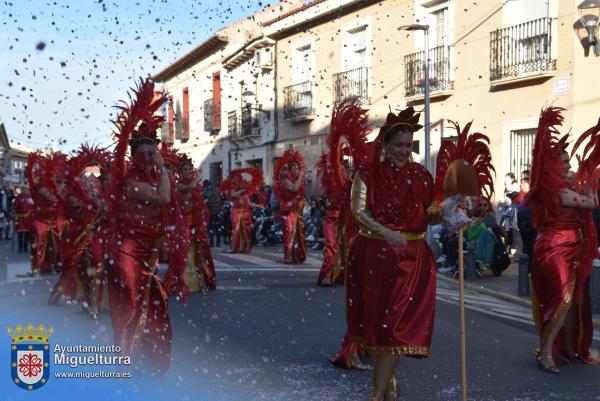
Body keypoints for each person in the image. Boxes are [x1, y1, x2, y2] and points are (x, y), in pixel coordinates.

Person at [346, 108, 438, 401]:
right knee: (378, 326)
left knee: (397, 327)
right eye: (398, 145)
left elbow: (429, 213)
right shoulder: (366, 174)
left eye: (408, 145)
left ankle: (375, 394)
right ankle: (387, 384)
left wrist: (450, 212)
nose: (403, 151)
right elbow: (358, 212)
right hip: (374, 257)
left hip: (413, 261)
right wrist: (385, 232)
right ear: (385, 145)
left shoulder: (421, 175)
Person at [107, 79, 188, 373]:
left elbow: (170, 205)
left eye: (152, 153)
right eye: (144, 154)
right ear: (135, 157)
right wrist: (165, 168)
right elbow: (163, 198)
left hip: (149, 250)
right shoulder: (132, 183)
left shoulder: (153, 177)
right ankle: (125, 358)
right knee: (130, 305)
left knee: (152, 304)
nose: (149, 158)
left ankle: (148, 355)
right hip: (128, 252)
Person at [526, 106, 599, 374]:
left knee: (571, 300)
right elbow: (592, 203)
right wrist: (588, 178)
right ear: (554, 165)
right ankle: (546, 353)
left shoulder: (559, 188)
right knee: (563, 300)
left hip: (566, 248)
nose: (569, 166)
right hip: (556, 249)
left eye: (569, 162)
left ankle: (566, 348)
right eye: (565, 162)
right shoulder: (557, 192)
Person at [177, 155, 216, 290]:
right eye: (185, 169)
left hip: (196, 223)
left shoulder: (196, 187)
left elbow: (200, 206)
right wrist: (195, 181)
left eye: (189, 169)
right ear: (180, 172)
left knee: (201, 251)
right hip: (183, 224)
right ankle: (187, 283)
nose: (187, 171)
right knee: (186, 252)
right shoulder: (178, 185)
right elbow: (186, 189)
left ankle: (203, 280)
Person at [273, 150, 307, 264]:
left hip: (297, 210)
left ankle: (296, 255)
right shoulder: (286, 180)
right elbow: (294, 188)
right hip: (288, 210)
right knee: (290, 231)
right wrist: (301, 175)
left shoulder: (298, 179)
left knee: (298, 233)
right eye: (294, 169)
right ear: (290, 170)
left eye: (298, 169)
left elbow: (300, 192)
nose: (297, 171)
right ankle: (288, 256)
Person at [220, 167, 262, 254]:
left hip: (246, 213)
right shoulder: (234, 189)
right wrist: (241, 190)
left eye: (237, 178)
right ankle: (235, 247)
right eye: (234, 178)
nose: (235, 180)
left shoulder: (245, 194)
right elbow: (232, 194)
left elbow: (249, 204)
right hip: (236, 212)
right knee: (236, 229)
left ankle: (244, 247)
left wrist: (259, 206)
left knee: (246, 230)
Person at [203, 180, 224, 248]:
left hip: (211, 211)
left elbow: (205, 201)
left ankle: (212, 242)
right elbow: (221, 199)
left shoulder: (206, 192)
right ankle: (218, 242)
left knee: (211, 227)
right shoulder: (217, 190)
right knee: (218, 227)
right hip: (218, 210)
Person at [13, 186, 33, 253]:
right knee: (20, 233)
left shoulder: (30, 197)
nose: (23, 191)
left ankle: (25, 247)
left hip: (28, 218)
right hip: (20, 218)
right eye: (22, 190)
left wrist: (30, 211)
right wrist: (14, 211)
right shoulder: (18, 198)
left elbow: (33, 206)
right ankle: (20, 247)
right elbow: (15, 207)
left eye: (25, 189)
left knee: (27, 233)